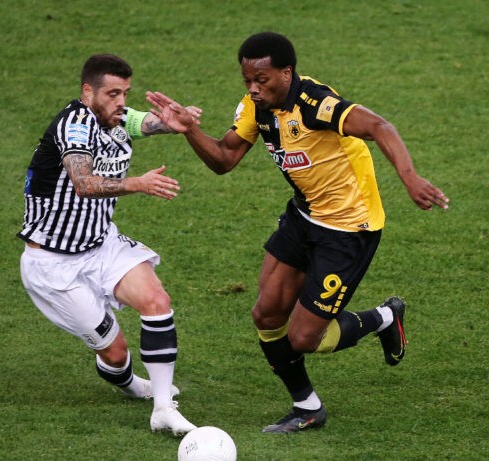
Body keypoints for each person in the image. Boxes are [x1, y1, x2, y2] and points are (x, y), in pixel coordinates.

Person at [146, 32, 449, 433]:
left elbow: (379, 126)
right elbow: (224, 159)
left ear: (286, 73)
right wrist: (189, 130)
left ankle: (384, 318)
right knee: (266, 313)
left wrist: (410, 178)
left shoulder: (315, 104)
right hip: (304, 216)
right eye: (247, 81)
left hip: (348, 228)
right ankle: (307, 407)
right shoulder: (257, 107)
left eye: (262, 80)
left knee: (305, 337)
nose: (253, 89)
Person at [17, 54, 200, 436]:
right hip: (53, 264)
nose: (121, 102)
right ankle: (131, 385)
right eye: (113, 94)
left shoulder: (115, 118)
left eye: (125, 93)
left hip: (101, 244)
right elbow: (83, 183)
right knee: (115, 356)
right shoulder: (74, 126)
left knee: (157, 301)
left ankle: (163, 408)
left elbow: (141, 122)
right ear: (88, 91)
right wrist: (137, 183)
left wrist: (172, 125)